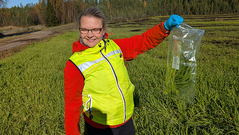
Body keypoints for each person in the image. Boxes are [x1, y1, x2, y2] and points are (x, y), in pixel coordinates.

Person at [64, 7, 183, 135]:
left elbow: (142, 42)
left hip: (126, 120)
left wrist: (164, 27)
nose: (89, 34)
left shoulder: (115, 46)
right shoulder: (75, 64)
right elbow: (72, 107)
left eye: (95, 29)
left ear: (103, 30)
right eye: (84, 29)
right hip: (100, 127)